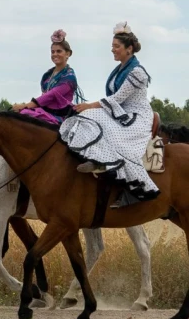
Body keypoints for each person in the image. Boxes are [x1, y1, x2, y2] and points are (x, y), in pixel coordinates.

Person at [60, 23, 158, 207]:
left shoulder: (137, 72)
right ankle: (96, 157)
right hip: (120, 112)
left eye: (116, 46)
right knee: (87, 117)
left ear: (129, 49)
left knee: (93, 117)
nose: (112, 49)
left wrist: (90, 106)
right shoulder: (120, 69)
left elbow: (118, 98)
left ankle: (133, 183)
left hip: (136, 117)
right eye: (112, 46)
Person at [18, 30, 82, 128]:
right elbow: (44, 95)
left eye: (59, 51)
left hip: (61, 115)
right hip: (45, 111)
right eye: (53, 52)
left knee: (25, 113)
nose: (55, 54)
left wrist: (27, 105)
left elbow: (51, 95)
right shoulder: (48, 75)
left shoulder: (69, 77)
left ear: (68, 54)